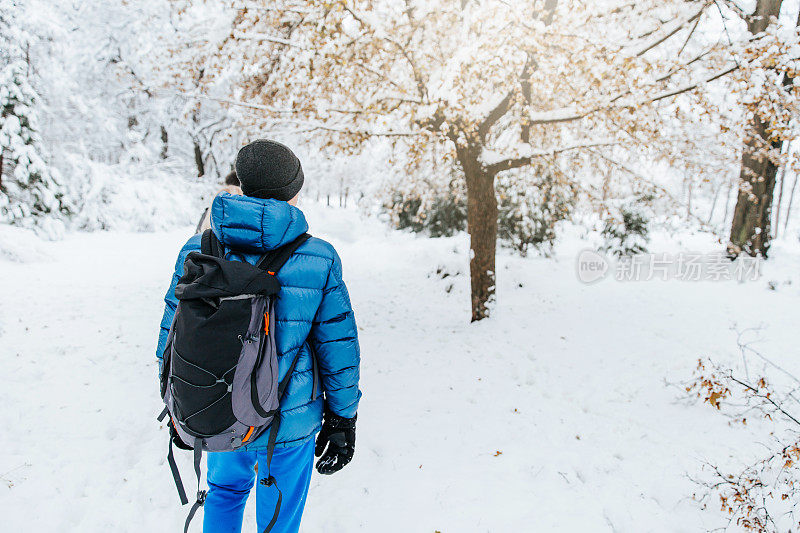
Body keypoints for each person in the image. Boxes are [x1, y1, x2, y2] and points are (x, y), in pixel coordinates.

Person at [156, 140, 361, 533]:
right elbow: (338, 346)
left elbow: (171, 333)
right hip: (290, 416)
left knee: (224, 493)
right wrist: (342, 417)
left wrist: (179, 404)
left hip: (222, 408)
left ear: (243, 184)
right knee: (280, 513)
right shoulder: (319, 256)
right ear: (293, 190)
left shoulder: (197, 249)